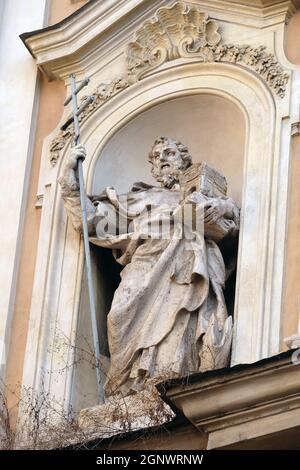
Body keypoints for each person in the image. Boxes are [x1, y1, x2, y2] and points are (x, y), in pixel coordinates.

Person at [59, 137, 240, 397]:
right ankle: (126, 393)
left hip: (187, 269)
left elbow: (234, 225)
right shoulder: (138, 200)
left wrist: (221, 206)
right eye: (157, 157)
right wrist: (69, 179)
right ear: (153, 169)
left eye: (169, 153)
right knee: (119, 315)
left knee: (180, 323)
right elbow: (91, 220)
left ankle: (172, 384)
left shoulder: (205, 195)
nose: (163, 159)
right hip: (144, 266)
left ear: (184, 160)